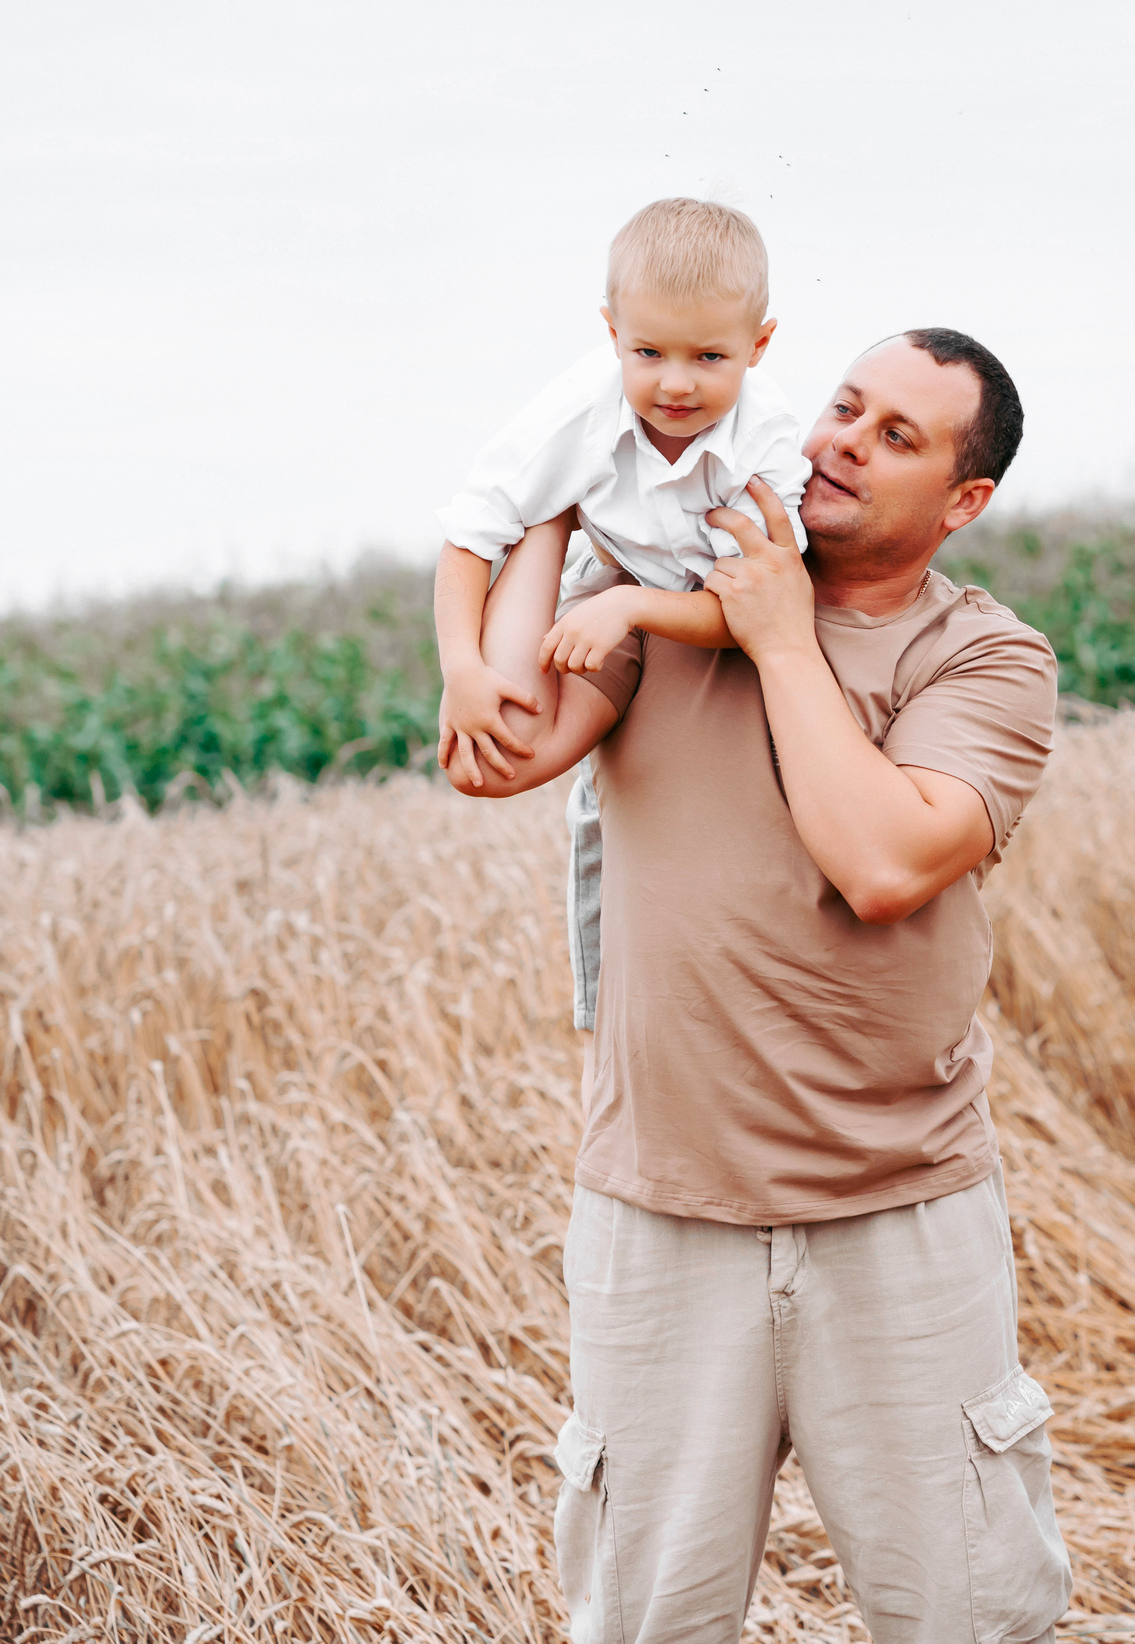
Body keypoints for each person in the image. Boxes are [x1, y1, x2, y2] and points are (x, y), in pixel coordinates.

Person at [451, 329, 1070, 1644]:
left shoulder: (986, 659)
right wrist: (560, 497)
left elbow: (887, 862)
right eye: (843, 406)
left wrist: (783, 639)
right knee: (643, 1619)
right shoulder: (656, 594)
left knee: (965, 1612)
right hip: (660, 1210)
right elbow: (496, 747)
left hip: (899, 1209)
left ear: (965, 503)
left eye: (897, 435)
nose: (843, 439)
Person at [431, 197, 811, 790]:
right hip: (613, 579)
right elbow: (470, 536)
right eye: (649, 353)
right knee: (480, 768)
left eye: (710, 356)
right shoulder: (578, 409)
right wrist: (461, 669)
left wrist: (630, 608)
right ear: (613, 333)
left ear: (758, 346)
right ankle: (552, 515)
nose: (677, 383)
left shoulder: (766, 438)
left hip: (698, 607)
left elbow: (751, 609)